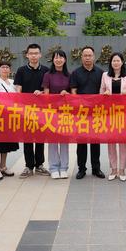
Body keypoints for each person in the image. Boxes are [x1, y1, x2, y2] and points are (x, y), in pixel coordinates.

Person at [14, 44, 50, 178]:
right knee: (28, 139)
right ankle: (28, 166)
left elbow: (48, 90)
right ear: (27, 55)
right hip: (26, 111)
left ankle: (39, 165)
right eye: (31, 53)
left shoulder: (46, 71)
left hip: (41, 111)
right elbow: (18, 89)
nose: (34, 56)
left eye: (36, 53)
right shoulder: (21, 70)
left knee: (40, 138)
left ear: (40, 55)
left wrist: (41, 92)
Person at [70, 46, 105, 179]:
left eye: (90, 55)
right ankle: (81, 169)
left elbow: (103, 91)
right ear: (81, 57)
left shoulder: (101, 73)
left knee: (96, 142)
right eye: (85, 55)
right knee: (82, 143)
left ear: (94, 57)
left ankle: (96, 169)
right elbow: (73, 92)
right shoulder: (76, 73)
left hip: (96, 112)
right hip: (82, 113)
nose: (87, 58)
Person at [100, 52, 126, 182]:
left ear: (122, 62)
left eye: (118, 60)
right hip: (110, 113)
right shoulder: (105, 75)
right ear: (111, 62)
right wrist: (106, 93)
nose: (116, 62)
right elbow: (100, 93)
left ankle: (122, 169)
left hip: (123, 113)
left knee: (123, 143)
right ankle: (113, 169)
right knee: (111, 142)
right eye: (113, 60)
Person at [42, 50, 71, 180]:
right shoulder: (48, 75)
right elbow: (46, 94)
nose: (58, 60)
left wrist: (67, 92)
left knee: (64, 140)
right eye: (56, 58)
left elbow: (73, 94)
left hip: (65, 112)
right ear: (53, 60)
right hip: (51, 112)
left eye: (61, 57)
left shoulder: (69, 75)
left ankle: (64, 168)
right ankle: (53, 167)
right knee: (53, 141)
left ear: (65, 60)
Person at [0, 61, 19, 180]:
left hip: (10, 117)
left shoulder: (13, 83)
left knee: (5, 144)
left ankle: (3, 166)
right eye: (3, 67)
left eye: (7, 67)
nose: (5, 69)